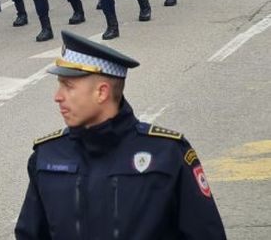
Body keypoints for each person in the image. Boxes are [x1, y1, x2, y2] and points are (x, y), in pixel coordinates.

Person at [15, 30, 227, 239]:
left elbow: (205, 233)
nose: (57, 97)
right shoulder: (47, 156)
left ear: (102, 92)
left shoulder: (167, 154)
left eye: (68, 86)